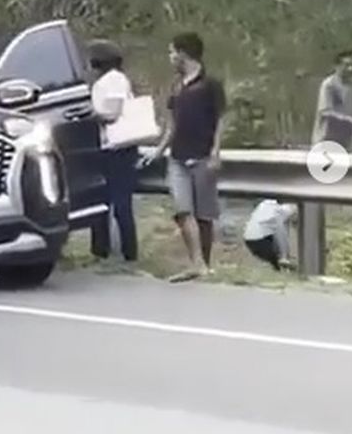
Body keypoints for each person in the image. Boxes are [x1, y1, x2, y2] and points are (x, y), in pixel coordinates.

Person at [144, 31, 226, 283]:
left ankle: (204, 265)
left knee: (204, 216)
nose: (170, 58)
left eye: (171, 52)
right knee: (182, 210)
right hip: (178, 157)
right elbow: (172, 124)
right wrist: (158, 150)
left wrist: (215, 151)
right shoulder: (176, 86)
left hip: (202, 155)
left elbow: (221, 119)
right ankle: (197, 263)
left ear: (183, 53)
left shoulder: (210, 84)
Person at [86, 39, 139, 263]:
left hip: (119, 148)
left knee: (120, 203)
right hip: (108, 147)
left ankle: (129, 252)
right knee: (104, 201)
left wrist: (94, 114)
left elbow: (114, 113)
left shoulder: (115, 80)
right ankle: (101, 250)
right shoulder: (105, 81)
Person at [312, 50, 352, 149]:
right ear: (337, 66)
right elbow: (326, 112)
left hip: (347, 139)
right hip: (327, 140)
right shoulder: (329, 85)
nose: (351, 69)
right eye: (347, 65)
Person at [242, 200, 297, 271]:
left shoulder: (267, 204)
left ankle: (278, 265)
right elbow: (281, 232)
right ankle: (280, 265)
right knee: (281, 262)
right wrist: (284, 255)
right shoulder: (282, 212)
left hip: (249, 239)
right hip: (260, 240)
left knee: (277, 262)